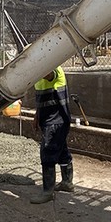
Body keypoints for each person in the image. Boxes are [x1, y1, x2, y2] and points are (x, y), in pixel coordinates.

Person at [30, 65, 74, 204]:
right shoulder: (39, 76)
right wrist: (37, 116)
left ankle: (48, 191)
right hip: (50, 119)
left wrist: (29, 66)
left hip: (56, 120)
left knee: (47, 153)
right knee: (62, 151)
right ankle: (67, 183)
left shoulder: (53, 67)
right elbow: (41, 99)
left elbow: (48, 74)